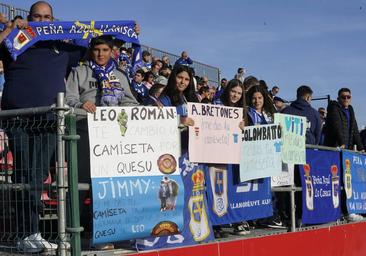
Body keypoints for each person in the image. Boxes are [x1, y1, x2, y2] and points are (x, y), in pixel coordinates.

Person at [65, 35, 138, 251]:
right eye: (97, 50)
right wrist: (81, 102)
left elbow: (131, 102)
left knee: (106, 187)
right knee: (78, 185)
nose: (100, 54)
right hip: (82, 134)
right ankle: (71, 233)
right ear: (91, 51)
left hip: (111, 139)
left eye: (105, 50)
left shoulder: (120, 76)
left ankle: (104, 234)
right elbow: (67, 99)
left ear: (111, 52)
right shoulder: (79, 72)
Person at [323, 88, 364, 222]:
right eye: (343, 97)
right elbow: (336, 126)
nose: (346, 99)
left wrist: (362, 148)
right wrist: (342, 143)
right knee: (337, 182)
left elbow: (355, 130)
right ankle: (341, 211)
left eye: (348, 97)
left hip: (348, 153)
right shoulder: (334, 108)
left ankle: (348, 211)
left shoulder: (350, 110)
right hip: (337, 150)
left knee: (348, 182)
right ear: (339, 98)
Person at [159, 65, 198, 151]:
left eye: (187, 79)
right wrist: (180, 120)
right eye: (180, 77)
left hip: (189, 148)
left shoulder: (189, 98)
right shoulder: (165, 98)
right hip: (172, 147)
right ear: (174, 78)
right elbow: (159, 122)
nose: (183, 82)